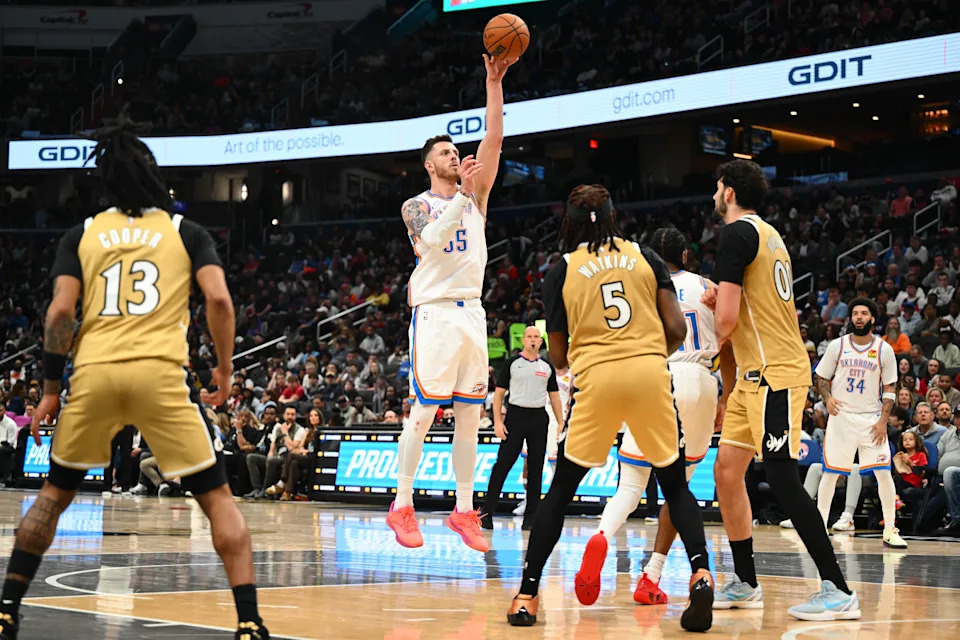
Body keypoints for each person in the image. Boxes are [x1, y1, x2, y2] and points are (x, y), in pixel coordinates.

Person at [0, 117, 268, 640]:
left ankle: (7, 608)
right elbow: (219, 300)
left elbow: (59, 315)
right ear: (153, 177)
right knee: (217, 501)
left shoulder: (82, 233)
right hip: (160, 376)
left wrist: (51, 390)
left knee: (53, 497)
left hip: (96, 373)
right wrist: (224, 368)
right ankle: (250, 621)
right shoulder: (183, 231)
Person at [507, 184, 714, 632]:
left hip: (597, 378)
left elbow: (558, 355)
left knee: (560, 491)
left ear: (571, 223)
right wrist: (649, 354)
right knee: (675, 484)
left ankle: (526, 594)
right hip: (649, 372)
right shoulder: (645, 256)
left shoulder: (561, 268)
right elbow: (676, 327)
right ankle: (700, 571)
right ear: (614, 216)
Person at [702, 159, 859, 620]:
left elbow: (726, 322)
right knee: (728, 472)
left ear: (728, 192)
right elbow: (751, 308)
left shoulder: (735, 235)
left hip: (775, 373)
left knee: (783, 477)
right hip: (756, 373)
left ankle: (838, 587)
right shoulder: (770, 235)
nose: (715, 195)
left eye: (717, 188)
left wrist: (704, 327)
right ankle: (746, 582)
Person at [387, 54, 515, 553]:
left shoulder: (474, 195)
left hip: (472, 313)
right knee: (422, 413)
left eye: (454, 149)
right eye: (445, 151)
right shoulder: (417, 205)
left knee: (470, 416)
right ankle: (402, 504)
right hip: (435, 313)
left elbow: (495, 140)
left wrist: (493, 83)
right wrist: (462, 195)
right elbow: (435, 242)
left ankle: (464, 510)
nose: (453, 154)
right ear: (429, 164)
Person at [579, 227, 731, 607]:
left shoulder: (639, 290)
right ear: (684, 257)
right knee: (678, 489)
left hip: (655, 377)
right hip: (700, 381)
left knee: (630, 485)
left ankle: (600, 535)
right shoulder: (709, 286)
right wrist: (727, 397)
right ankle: (652, 574)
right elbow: (729, 340)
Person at [813, 298, 906, 549]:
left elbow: (889, 388)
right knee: (831, 473)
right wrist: (827, 397)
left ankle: (890, 529)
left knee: (883, 472)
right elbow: (821, 376)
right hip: (841, 416)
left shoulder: (884, 349)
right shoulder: (838, 345)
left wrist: (883, 421)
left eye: (864, 313)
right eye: (855, 313)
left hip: (870, 418)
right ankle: (820, 527)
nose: (859, 317)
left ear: (873, 319)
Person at [482, 326, 563, 531]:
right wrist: (498, 422)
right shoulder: (512, 363)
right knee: (503, 464)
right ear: (523, 340)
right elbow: (499, 393)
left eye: (536, 337)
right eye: (529, 337)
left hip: (538, 418)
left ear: (541, 341)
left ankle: (531, 518)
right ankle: (486, 512)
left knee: (536, 469)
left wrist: (561, 421)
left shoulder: (546, 367)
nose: (533, 340)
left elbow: (554, 396)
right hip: (515, 416)